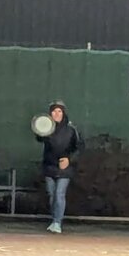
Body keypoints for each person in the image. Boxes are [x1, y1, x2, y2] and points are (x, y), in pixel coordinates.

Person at [36, 100, 82, 234]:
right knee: (52, 195)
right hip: (49, 166)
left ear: (63, 113)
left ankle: (57, 222)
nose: (56, 114)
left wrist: (69, 160)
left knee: (59, 194)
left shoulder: (71, 129)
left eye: (59, 111)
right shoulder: (47, 128)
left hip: (65, 168)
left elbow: (79, 148)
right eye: (54, 111)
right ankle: (54, 219)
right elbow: (39, 137)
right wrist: (40, 128)